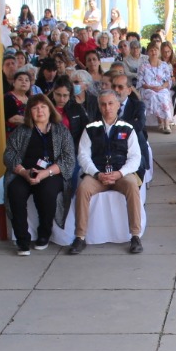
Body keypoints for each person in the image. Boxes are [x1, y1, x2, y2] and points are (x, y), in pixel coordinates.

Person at [70, 90, 143, 255]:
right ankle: (80, 237)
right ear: (99, 107)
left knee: (132, 186)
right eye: (103, 104)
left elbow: (135, 158)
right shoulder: (90, 128)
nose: (107, 107)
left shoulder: (128, 128)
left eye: (111, 103)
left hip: (121, 175)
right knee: (83, 188)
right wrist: (96, 174)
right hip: (98, 175)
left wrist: (120, 173)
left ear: (118, 105)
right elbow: (83, 156)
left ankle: (135, 236)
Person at [3, 94, 74, 256]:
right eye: (35, 108)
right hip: (24, 171)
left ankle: (44, 233)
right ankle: (22, 240)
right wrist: (23, 172)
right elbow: (8, 155)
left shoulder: (61, 130)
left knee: (47, 192)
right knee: (15, 191)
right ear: (29, 112)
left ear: (50, 109)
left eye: (43, 107)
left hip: (50, 172)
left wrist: (44, 173)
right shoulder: (21, 131)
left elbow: (69, 159)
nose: (39, 111)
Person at [138, 45, 174, 134]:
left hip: (161, 87)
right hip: (148, 88)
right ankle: (160, 121)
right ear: (147, 52)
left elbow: (168, 80)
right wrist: (151, 87)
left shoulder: (164, 65)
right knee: (153, 96)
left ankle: (166, 123)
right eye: (151, 50)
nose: (153, 52)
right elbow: (140, 82)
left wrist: (161, 87)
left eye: (155, 50)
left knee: (164, 96)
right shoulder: (143, 66)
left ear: (159, 52)